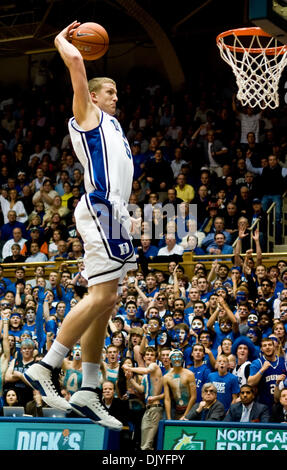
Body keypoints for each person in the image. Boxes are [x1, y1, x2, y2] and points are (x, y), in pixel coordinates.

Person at [23, 21, 137, 431]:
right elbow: (75, 62)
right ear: (92, 95)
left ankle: (88, 388)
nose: (116, 97)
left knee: (106, 299)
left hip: (117, 213)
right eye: (110, 91)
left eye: (117, 93)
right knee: (102, 295)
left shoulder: (115, 128)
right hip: (102, 208)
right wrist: (62, 40)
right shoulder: (87, 114)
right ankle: (45, 365)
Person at [123, 346, 163, 451]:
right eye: (147, 354)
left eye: (152, 355)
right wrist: (130, 379)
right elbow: (141, 390)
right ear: (144, 357)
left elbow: (145, 370)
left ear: (155, 358)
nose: (149, 356)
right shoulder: (146, 376)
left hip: (155, 407)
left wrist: (129, 368)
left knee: (147, 444)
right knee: (144, 443)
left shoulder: (154, 366)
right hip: (147, 408)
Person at [248, 337, 287, 409]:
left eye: (270, 345)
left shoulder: (283, 362)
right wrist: (262, 370)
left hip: (281, 404)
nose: (267, 347)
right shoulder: (257, 363)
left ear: (274, 347)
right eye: (264, 345)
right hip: (263, 404)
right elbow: (250, 383)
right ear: (261, 349)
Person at [163, 349, 196, 420]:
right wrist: (169, 418)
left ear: (182, 359)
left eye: (179, 357)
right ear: (170, 360)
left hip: (190, 410)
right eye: (174, 357)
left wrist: (185, 415)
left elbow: (193, 397)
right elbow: (167, 399)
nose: (177, 359)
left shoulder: (189, 374)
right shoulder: (166, 377)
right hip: (178, 410)